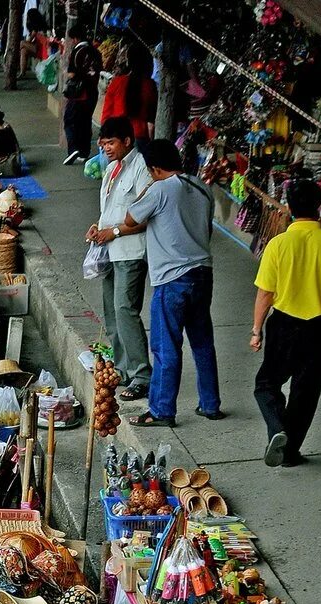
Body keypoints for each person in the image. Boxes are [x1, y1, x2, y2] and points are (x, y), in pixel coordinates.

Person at [118, 140, 221, 428]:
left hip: (172, 278)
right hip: (203, 273)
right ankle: (210, 404)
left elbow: (130, 218)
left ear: (153, 168)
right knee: (202, 342)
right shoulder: (202, 187)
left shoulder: (160, 189)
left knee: (166, 348)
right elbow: (207, 228)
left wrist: (149, 188)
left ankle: (162, 410)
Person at [251, 179, 321, 467]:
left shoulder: (278, 244)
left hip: (283, 325)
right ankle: (290, 454)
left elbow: (265, 293)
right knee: (306, 393)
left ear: (289, 208)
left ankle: (277, 428)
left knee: (266, 384)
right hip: (316, 327)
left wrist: (256, 330)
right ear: (319, 207)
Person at [86, 117, 153, 400]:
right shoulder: (111, 168)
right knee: (111, 313)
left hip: (130, 251)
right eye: (103, 142)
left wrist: (112, 232)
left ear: (127, 141)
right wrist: (97, 227)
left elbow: (145, 216)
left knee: (126, 310)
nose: (106, 147)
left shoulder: (142, 169)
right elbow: (109, 209)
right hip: (109, 251)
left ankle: (142, 375)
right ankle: (123, 368)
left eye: (111, 142)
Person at [101, 47, 157, 152]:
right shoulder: (149, 85)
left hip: (116, 136)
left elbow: (106, 114)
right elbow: (151, 123)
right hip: (140, 136)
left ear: (128, 62)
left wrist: (104, 136)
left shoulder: (116, 82)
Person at [62, 25, 103, 165]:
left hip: (79, 94)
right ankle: (84, 151)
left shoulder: (78, 51)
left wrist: (67, 74)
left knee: (70, 120)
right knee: (85, 122)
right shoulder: (96, 52)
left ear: (75, 38)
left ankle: (73, 148)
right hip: (93, 92)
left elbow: (72, 73)